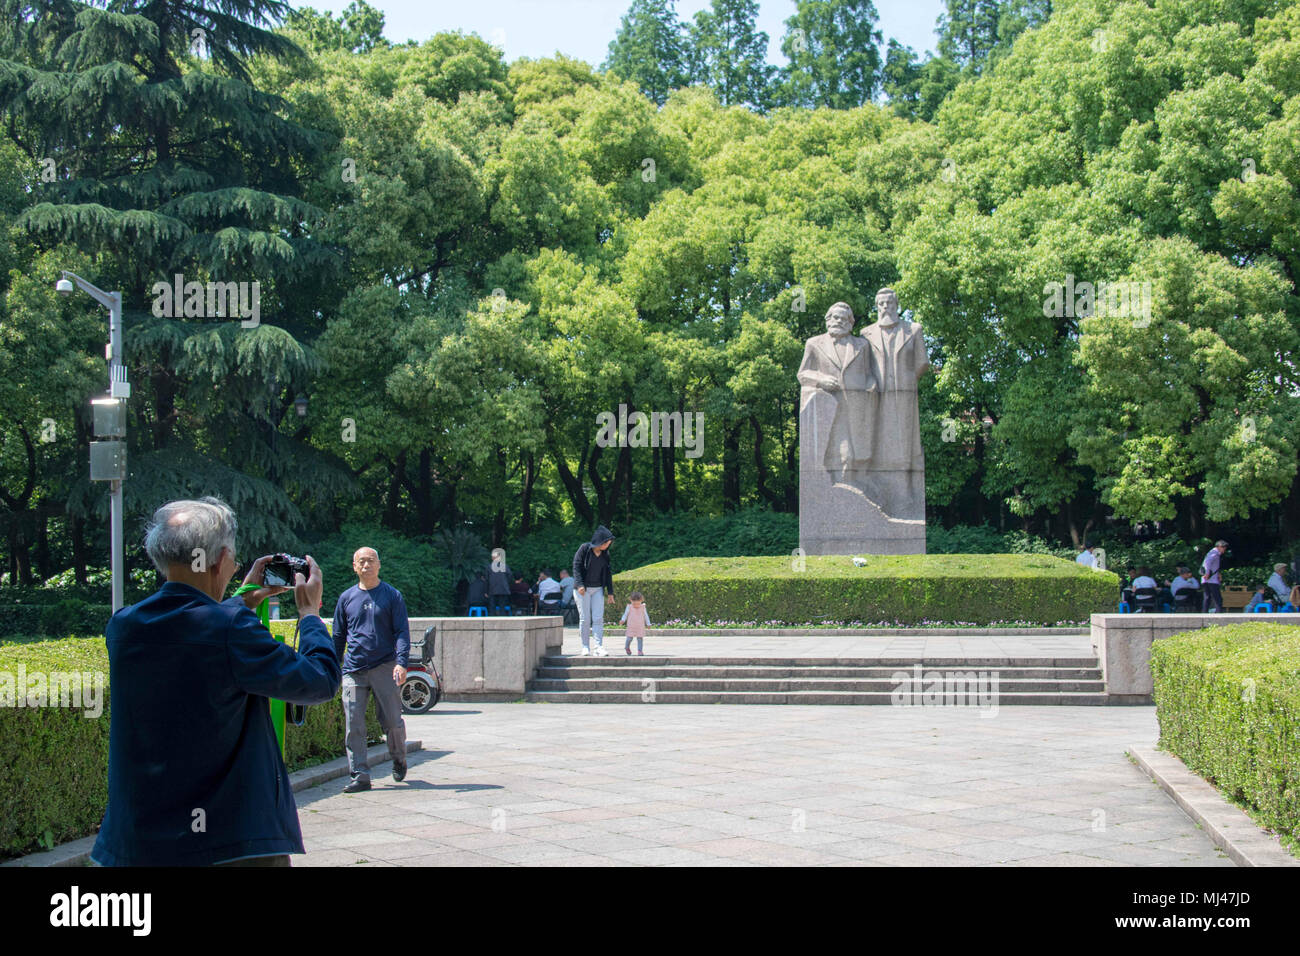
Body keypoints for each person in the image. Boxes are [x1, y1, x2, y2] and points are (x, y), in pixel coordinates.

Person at [91, 497, 339, 867]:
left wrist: (241, 601)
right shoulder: (229, 631)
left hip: (134, 843)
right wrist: (309, 615)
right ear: (221, 561)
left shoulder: (124, 626)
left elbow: (195, 639)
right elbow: (320, 680)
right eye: (233, 561)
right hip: (226, 844)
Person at [333, 547, 410, 793]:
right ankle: (360, 775)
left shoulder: (392, 596)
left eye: (370, 561)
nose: (366, 565)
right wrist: (333, 666)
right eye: (361, 562)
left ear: (379, 565)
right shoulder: (346, 598)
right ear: (354, 566)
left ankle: (399, 757)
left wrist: (401, 662)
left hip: (385, 666)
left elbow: (401, 632)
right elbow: (338, 636)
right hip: (353, 669)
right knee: (354, 723)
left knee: (391, 721)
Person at [572, 525, 616, 656]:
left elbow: (608, 573)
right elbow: (576, 566)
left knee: (598, 618)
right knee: (585, 619)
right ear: (600, 541)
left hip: (597, 589)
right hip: (583, 590)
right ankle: (585, 646)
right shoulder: (584, 549)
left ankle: (599, 646)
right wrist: (579, 584)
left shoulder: (605, 554)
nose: (608, 545)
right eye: (607, 542)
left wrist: (610, 592)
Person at [1201, 540, 1228, 612]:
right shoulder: (1215, 553)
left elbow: (1212, 565)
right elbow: (1207, 562)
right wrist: (1207, 573)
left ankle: (1204, 613)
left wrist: (1218, 573)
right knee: (1218, 598)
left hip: (1205, 579)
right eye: (1223, 548)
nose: (1224, 549)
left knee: (1207, 597)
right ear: (1218, 547)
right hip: (1211, 579)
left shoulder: (1211, 552)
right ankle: (1218, 614)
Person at [621, 591, 650, 656]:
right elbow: (625, 614)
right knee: (629, 638)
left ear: (641, 600)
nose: (636, 605)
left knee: (640, 639)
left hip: (640, 626)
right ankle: (627, 647)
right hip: (631, 626)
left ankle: (640, 651)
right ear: (631, 600)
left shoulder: (643, 607)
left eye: (638, 604)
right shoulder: (629, 607)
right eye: (634, 604)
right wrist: (622, 620)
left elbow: (646, 615)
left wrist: (648, 623)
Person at [486, 548, 512, 616]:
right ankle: (502, 623)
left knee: (492, 607)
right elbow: (510, 576)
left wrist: (486, 591)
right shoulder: (505, 566)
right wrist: (506, 584)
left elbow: (487, 580)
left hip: (492, 589)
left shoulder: (489, 567)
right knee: (502, 607)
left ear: (493, 558)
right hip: (503, 589)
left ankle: (491, 622)